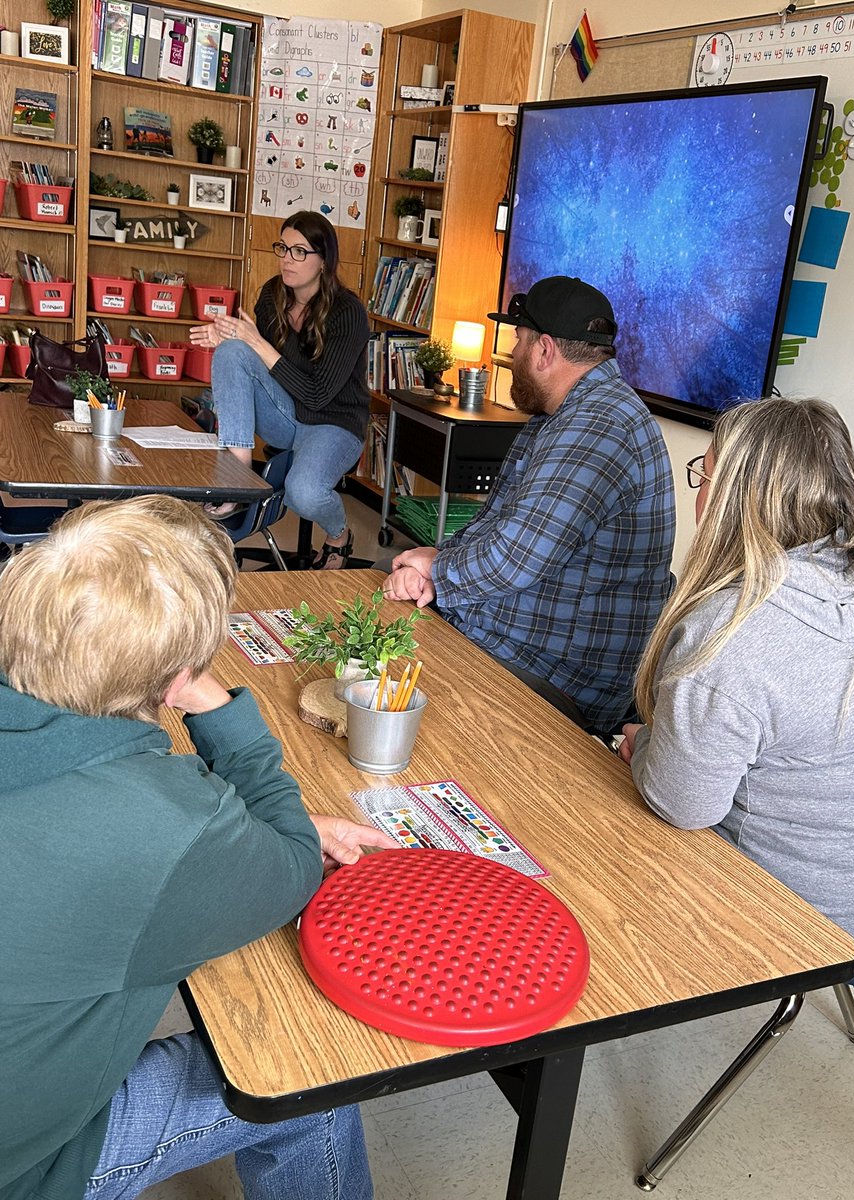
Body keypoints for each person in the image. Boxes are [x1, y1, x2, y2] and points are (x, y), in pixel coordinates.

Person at [0, 495, 395, 1200]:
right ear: (177, 677)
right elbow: (293, 870)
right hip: (26, 1169)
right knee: (313, 1083)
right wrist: (216, 708)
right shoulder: (162, 820)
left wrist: (237, 831)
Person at [620, 397, 854, 969]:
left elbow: (682, 806)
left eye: (705, 475)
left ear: (733, 497)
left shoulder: (728, 633)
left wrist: (644, 744)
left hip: (800, 923)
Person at [384, 276, 676, 732]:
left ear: (544, 350)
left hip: (552, 673)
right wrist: (434, 563)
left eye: (517, 341)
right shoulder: (563, 415)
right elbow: (497, 525)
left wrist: (438, 570)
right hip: (517, 635)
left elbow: (512, 559)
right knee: (374, 626)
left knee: (377, 674)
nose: (511, 355)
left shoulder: (597, 427)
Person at [189, 211, 371, 568]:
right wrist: (228, 339)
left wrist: (257, 343)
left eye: (300, 251)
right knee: (232, 350)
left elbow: (318, 395)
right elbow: (263, 368)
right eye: (283, 248)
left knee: (304, 494)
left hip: (334, 423)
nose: (287, 259)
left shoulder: (348, 312)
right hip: (287, 413)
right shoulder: (273, 294)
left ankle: (338, 534)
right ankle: (236, 482)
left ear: (324, 261)